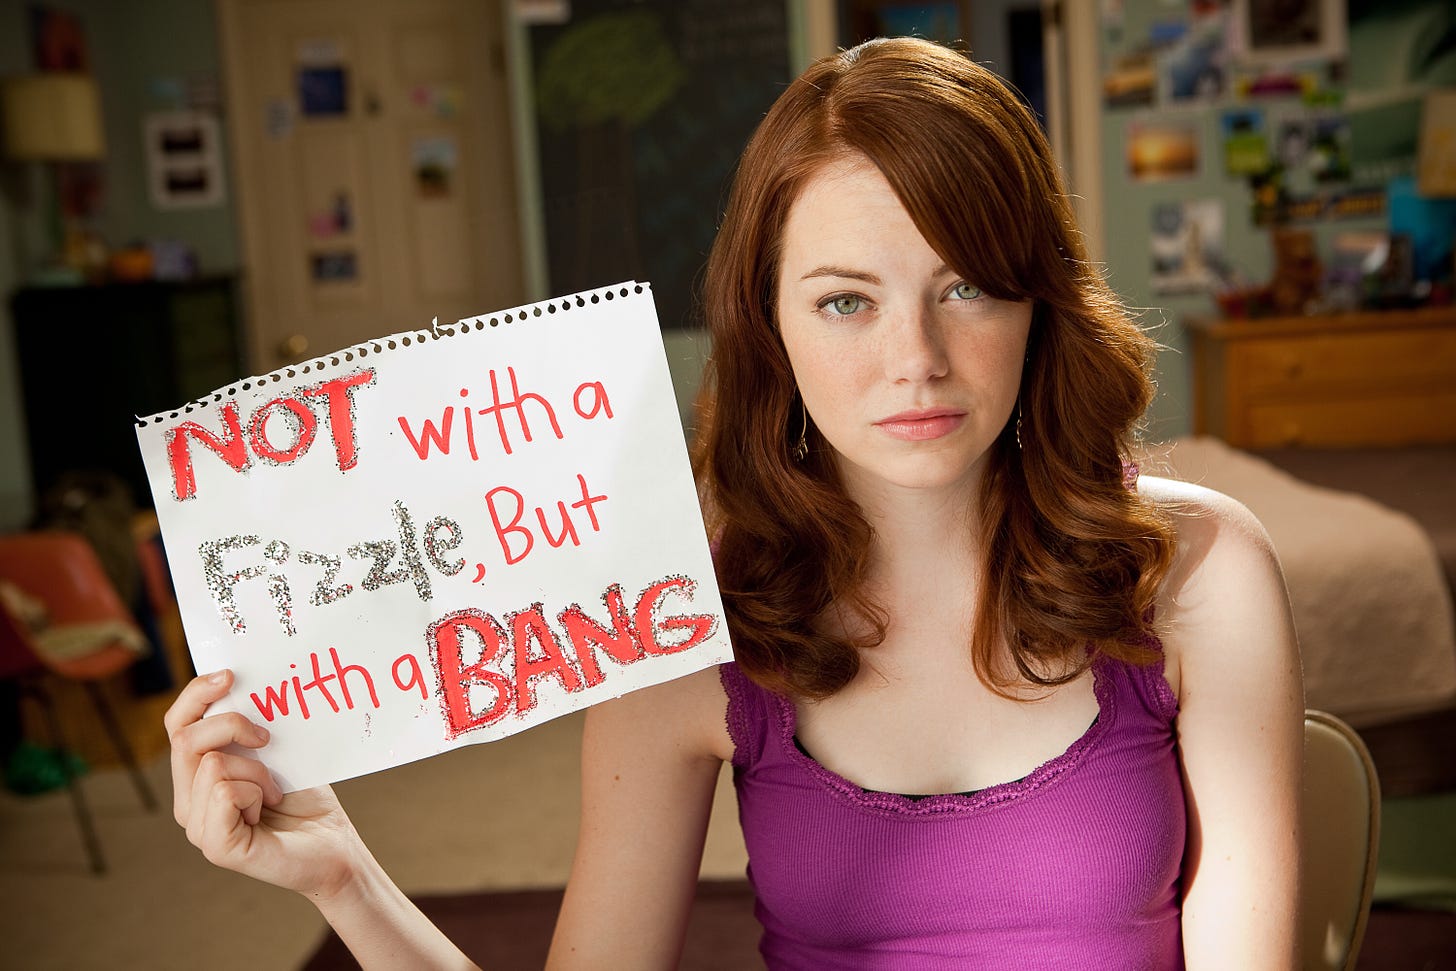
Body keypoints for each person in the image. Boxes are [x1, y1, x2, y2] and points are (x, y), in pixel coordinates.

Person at [167, 37, 1302, 969]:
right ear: (770, 326)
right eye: (846, 301)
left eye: (963, 285)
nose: (916, 356)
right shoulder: (681, 628)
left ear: (1037, 303)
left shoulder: (1200, 573)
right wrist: (342, 878)